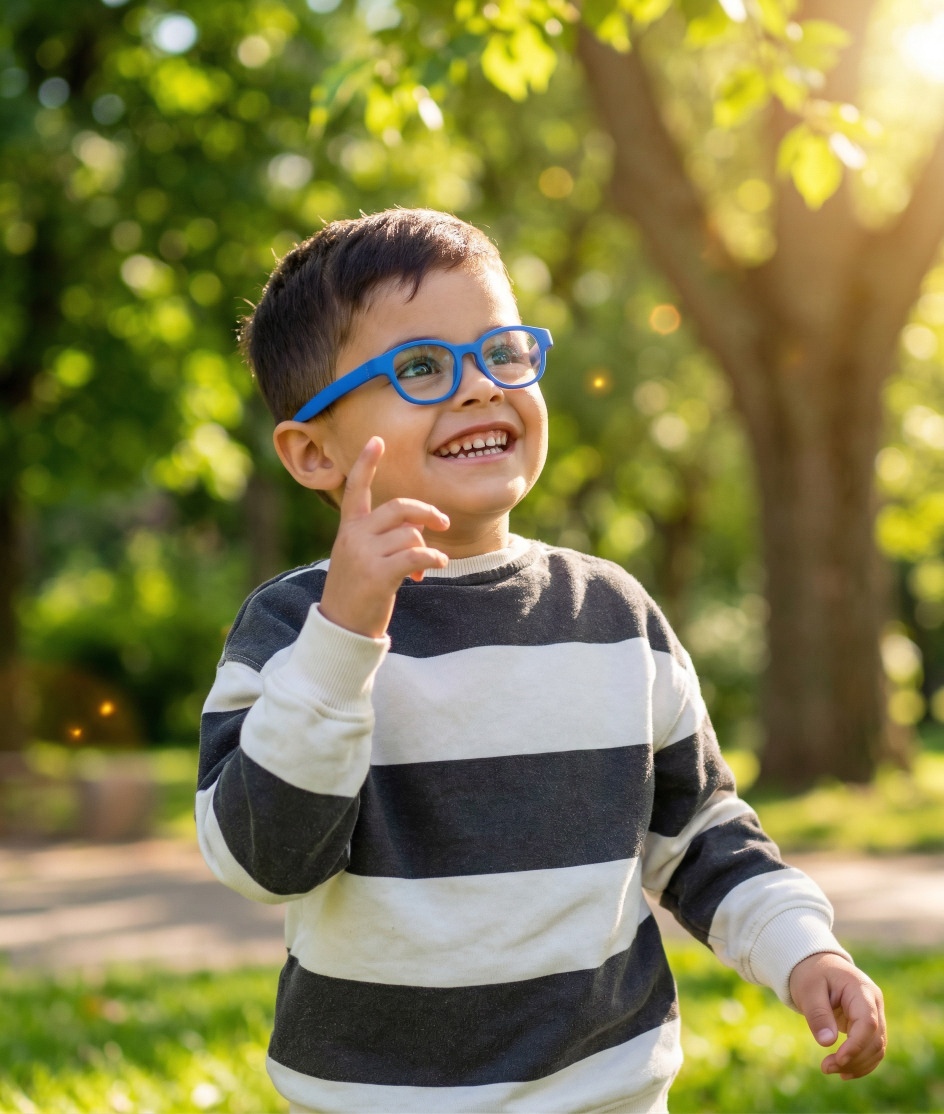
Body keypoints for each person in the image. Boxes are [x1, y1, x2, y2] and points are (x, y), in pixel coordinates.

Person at [196, 207, 886, 1113]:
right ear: (314, 451)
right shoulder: (295, 630)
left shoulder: (613, 617)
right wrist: (344, 638)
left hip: (604, 1095)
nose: (481, 388)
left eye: (502, 351)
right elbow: (265, 861)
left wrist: (803, 949)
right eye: (421, 367)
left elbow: (701, 834)